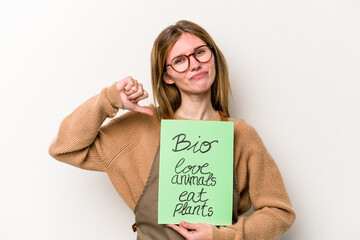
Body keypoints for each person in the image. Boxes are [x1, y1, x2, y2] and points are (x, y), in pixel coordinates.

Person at [49, 20, 295, 240]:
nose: (195, 64)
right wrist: (109, 99)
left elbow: (280, 212)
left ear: (214, 58)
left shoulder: (241, 135)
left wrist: (224, 237)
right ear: (166, 76)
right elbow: (64, 148)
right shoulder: (142, 126)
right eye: (179, 60)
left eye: (200, 53)